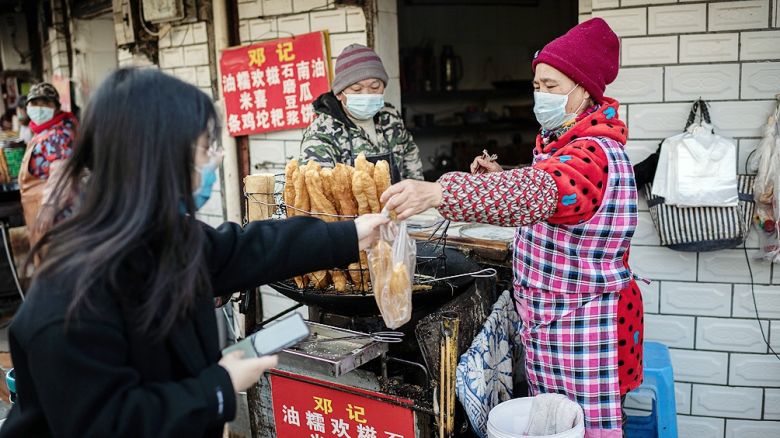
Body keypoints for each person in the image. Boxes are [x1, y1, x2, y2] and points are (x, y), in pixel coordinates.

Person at [0, 68, 388, 437]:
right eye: (204, 148)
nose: (213, 160)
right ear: (159, 157)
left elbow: (247, 249)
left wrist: (351, 233)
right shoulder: (71, 295)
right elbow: (108, 423)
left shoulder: (165, 238)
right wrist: (218, 385)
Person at [381, 18, 642, 437]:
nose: (541, 95)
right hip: (555, 324)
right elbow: (552, 196)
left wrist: (439, 192)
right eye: (537, 84)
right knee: (552, 424)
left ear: (585, 90)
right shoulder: (567, 141)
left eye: (553, 86)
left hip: (584, 331)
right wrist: (500, 175)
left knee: (581, 429)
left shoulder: (595, 152)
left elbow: (544, 191)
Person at [300, 44, 423, 182]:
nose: (367, 94)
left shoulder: (390, 117)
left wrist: (415, 198)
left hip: (401, 203)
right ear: (340, 93)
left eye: (375, 86)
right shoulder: (322, 133)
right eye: (357, 89)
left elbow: (410, 156)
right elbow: (320, 192)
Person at [18, 83, 78, 246]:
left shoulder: (58, 134)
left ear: (57, 107)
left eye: (46, 103)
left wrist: (49, 206)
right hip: (43, 206)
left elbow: (61, 172)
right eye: (35, 103)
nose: (39, 108)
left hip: (58, 211)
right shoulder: (43, 132)